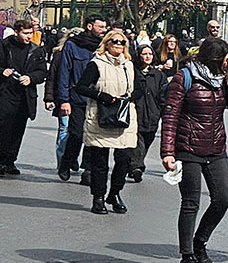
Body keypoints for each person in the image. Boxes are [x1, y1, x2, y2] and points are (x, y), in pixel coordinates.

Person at [162, 37, 228, 263]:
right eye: (224, 61)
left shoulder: (224, 80)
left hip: (216, 148)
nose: (227, 65)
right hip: (187, 148)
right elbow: (170, 116)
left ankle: (200, 242)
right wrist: (167, 152)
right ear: (213, 60)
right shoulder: (185, 77)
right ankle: (187, 256)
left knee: (223, 199)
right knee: (191, 203)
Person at [74, 28, 140, 215]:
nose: (118, 45)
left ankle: (115, 193)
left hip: (124, 115)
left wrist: (130, 97)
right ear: (107, 44)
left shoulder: (128, 65)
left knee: (125, 159)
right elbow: (81, 87)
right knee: (100, 162)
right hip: (100, 115)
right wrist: (101, 96)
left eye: (122, 42)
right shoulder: (97, 64)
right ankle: (98, 197)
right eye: (115, 42)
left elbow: (140, 87)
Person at [0, 18, 46, 177]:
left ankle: (11, 160)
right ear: (16, 32)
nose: (29, 36)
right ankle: (1, 161)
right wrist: (1, 72)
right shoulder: (1, 46)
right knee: (3, 127)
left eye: (31, 33)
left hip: (24, 97)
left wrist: (31, 78)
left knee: (18, 129)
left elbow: (42, 72)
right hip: (4, 94)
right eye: (25, 33)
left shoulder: (35, 50)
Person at [55, 16, 108, 182]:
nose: (104, 30)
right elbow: (64, 73)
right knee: (76, 134)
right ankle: (67, 161)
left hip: (98, 99)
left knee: (93, 137)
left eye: (105, 26)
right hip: (77, 98)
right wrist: (64, 100)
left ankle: (88, 170)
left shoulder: (105, 46)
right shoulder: (72, 45)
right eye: (100, 26)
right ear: (90, 26)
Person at [128, 42, 166, 183]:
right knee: (138, 141)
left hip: (153, 113)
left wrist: (163, 111)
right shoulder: (132, 71)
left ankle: (133, 164)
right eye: (144, 54)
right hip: (136, 112)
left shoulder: (158, 75)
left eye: (150, 54)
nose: (147, 56)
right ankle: (137, 167)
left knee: (148, 139)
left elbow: (163, 94)